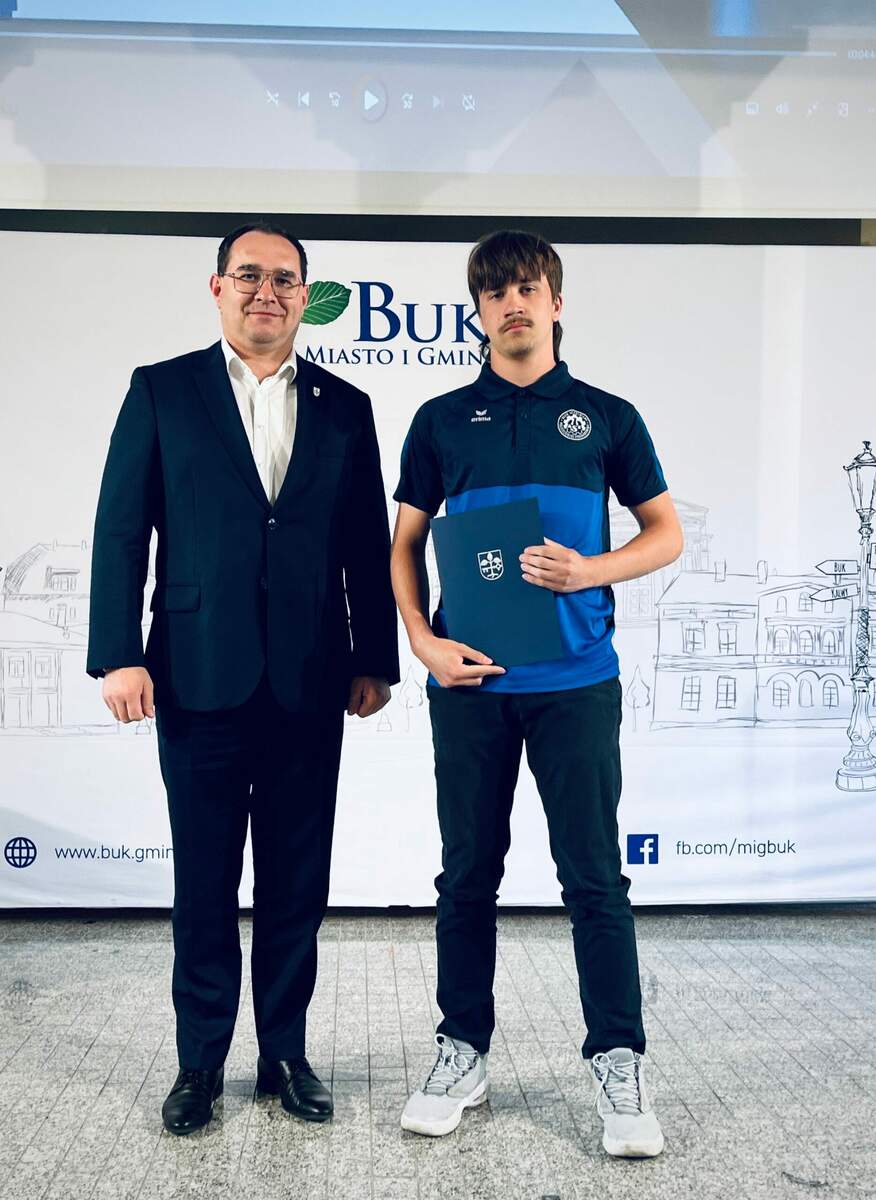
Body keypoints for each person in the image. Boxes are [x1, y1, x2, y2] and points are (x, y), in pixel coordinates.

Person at [87, 222, 398, 1135]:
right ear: (217, 286)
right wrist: (118, 651)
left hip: (311, 679)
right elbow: (120, 528)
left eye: (286, 279)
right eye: (250, 275)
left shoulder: (346, 406)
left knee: (297, 884)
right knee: (205, 885)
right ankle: (199, 1064)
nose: (268, 291)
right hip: (195, 674)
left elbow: (364, 542)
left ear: (305, 296)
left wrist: (374, 657)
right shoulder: (162, 390)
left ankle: (285, 1056)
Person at [390, 230, 682, 1158]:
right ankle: (462, 1049)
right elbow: (404, 545)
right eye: (495, 293)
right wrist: (422, 640)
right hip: (470, 683)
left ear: (557, 302)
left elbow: (665, 533)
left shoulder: (607, 417)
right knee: (466, 875)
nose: (512, 304)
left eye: (528, 288)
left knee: (594, 878)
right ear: (477, 312)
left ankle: (619, 1060)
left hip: (576, 683)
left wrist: (590, 568)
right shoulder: (441, 420)